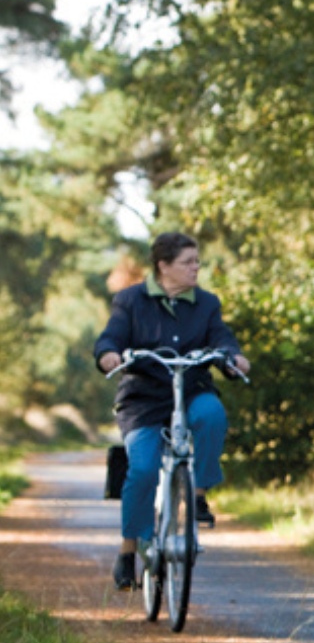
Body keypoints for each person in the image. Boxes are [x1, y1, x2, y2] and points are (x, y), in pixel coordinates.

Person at [95, 232, 251, 591]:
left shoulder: (207, 304)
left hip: (192, 390)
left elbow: (222, 339)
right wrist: (109, 355)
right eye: (188, 262)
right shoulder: (130, 301)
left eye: (197, 261)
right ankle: (128, 549)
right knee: (144, 468)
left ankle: (198, 495)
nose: (196, 268)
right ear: (163, 267)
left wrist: (233, 358)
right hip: (144, 399)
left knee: (212, 416)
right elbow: (111, 337)